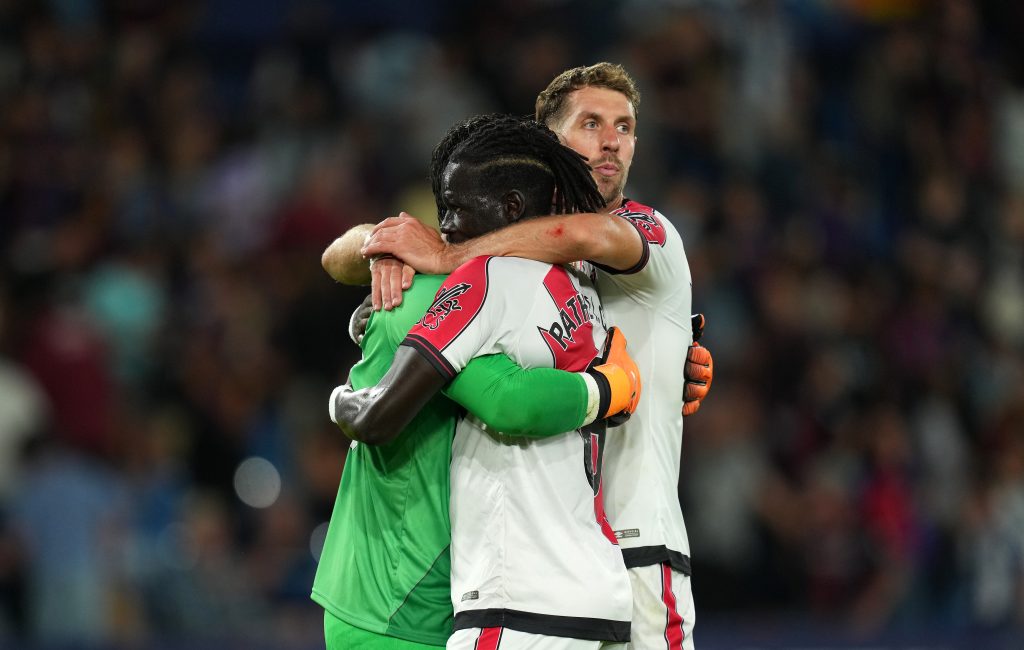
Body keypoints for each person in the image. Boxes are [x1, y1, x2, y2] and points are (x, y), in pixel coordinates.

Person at [359, 63, 704, 649]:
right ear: (550, 141)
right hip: (562, 563)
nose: (611, 140)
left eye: (624, 126)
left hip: (640, 542)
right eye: (591, 123)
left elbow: (578, 235)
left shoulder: (645, 229)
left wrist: (444, 257)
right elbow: (343, 250)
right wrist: (380, 255)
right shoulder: (520, 257)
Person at [316, 114, 640, 650]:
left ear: (513, 210)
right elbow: (507, 399)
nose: (442, 227)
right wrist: (614, 387)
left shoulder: (555, 287)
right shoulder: (425, 290)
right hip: (393, 599)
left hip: (472, 594)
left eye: (455, 211)